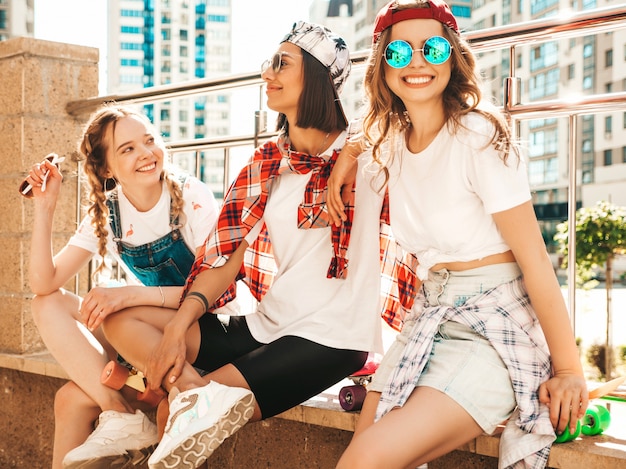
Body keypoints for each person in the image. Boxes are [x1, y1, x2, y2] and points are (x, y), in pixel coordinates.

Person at [101, 21, 384, 469]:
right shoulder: (268, 163)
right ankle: (194, 395)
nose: (266, 74)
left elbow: (405, 121)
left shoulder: (370, 154)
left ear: (317, 77)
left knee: (168, 415)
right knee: (120, 319)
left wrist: (354, 148)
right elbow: (224, 256)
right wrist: (177, 329)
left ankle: (191, 404)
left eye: (280, 64)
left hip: (331, 336)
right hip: (267, 324)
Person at [326, 1, 588, 468]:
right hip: (429, 317)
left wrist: (568, 370)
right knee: (360, 454)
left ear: (454, 56)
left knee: (366, 459)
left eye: (432, 47)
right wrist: (346, 158)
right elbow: (368, 134)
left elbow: (536, 260)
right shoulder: (391, 140)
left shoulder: (476, 135)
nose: (418, 61)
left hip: (493, 327)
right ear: (383, 67)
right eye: (400, 52)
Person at [25, 104, 221, 469]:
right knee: (47, 314)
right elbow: (43, 282)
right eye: (127, 149)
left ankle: (123, 415)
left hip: (202, 330)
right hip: (147, 335)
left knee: (117, 314)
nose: (146, 153)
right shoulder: (108, 211)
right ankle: (118, 413)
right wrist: (45, 206)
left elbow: (220, 289)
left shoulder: (189, 195)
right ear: (106, 169)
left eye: (149, 141)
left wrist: (129, 295)